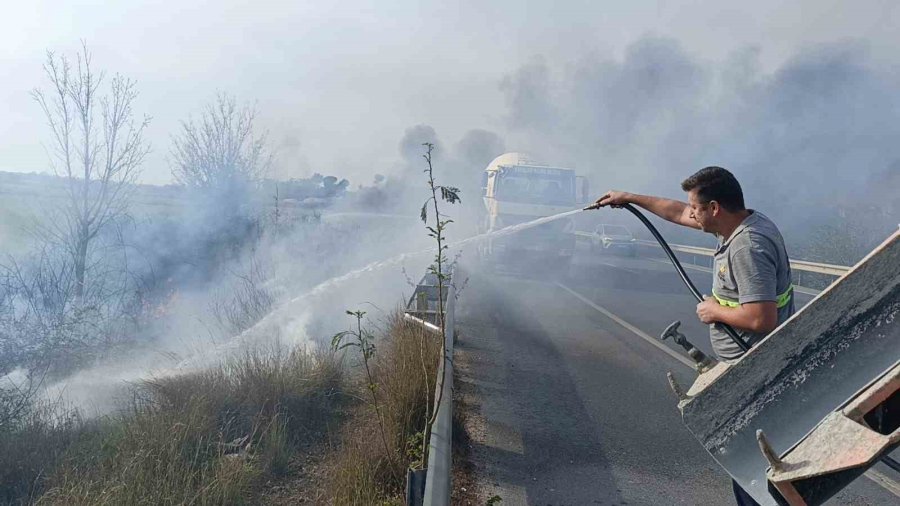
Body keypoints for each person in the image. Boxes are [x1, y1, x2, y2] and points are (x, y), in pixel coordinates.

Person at [594, 166, 795, 506]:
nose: (690, 213)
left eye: (696, 207)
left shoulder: (746, 247)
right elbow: (676, 212)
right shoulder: (737, 224)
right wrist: (628, 198)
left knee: (753, 472)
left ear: (714, 208)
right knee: (750, 470)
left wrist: (714, 311)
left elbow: (762, 318)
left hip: (756, 374)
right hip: (748, 369)